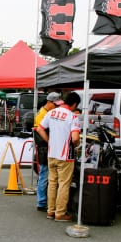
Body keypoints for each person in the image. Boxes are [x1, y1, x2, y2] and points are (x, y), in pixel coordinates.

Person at [36, 92, 81, 222]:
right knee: (63, 184)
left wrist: (49, 140)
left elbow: (40, 129)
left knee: (52, 183)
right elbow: (75, 137)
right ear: (74, 104)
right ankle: (60, 213)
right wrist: (77, 144)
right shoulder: (73, 117)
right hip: (65, 156)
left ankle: (50, 211)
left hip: (52, 154)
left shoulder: (51, 113)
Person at [34, 92, 64, 212]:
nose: (57, 107)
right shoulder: (42, 115)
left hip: (47, 147)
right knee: (44, 175)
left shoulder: (47, 113)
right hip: (44, 148)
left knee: (46, 176)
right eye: (55, 105)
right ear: (49, 102)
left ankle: (44, 201)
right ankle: (41, 202)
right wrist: (51, 142)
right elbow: (40, 132)